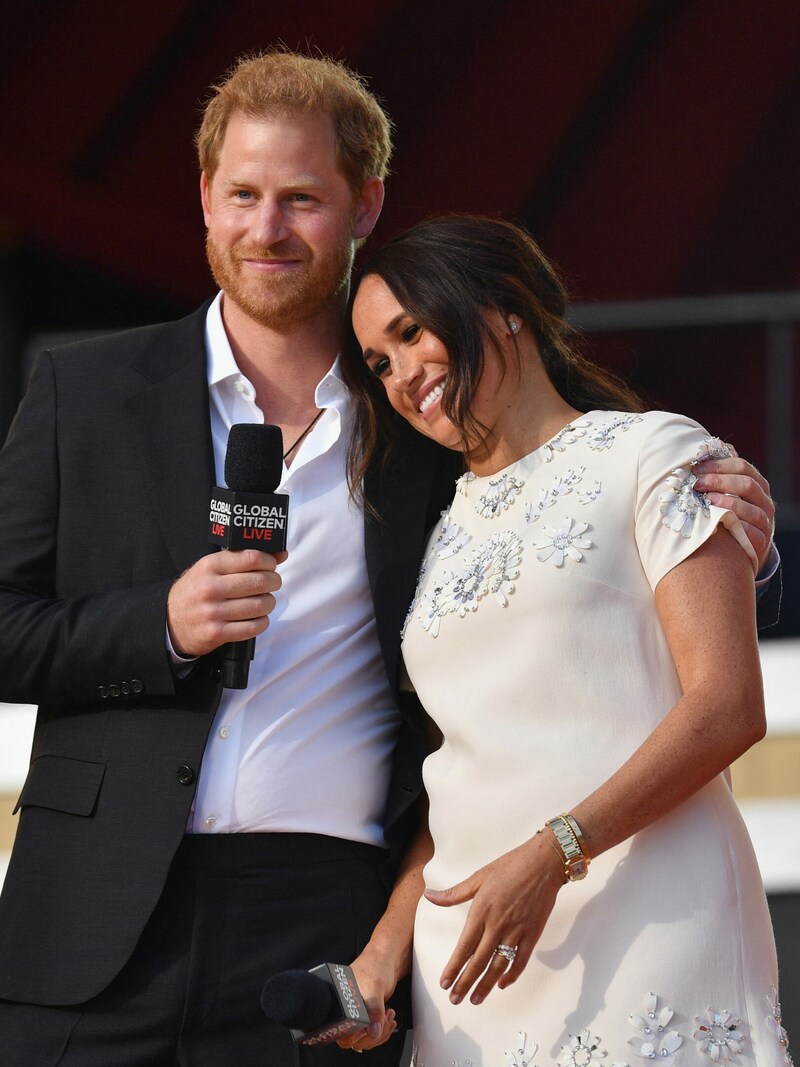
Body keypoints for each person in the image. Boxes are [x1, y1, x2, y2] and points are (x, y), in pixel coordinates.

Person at [0, 49, 778, 1066]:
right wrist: (156, 623)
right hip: (92, 922)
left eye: (301, 199)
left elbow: (568, 521)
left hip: (323, 917)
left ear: (364, 205)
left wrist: (723, 527)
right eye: (241, 193)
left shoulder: (426, 422)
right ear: (202, 197)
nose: (265, 228)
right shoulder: (83, 389)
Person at [337, 214, 792, 1066]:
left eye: (410, 331)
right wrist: (385, 951)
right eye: (378, 362)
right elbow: (459, 779)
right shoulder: (433, 533)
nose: (400, 375)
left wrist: (553, 853)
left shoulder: (652, 454)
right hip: (474, 971)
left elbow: (729, 706)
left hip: (648, 921)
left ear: (505, 305)